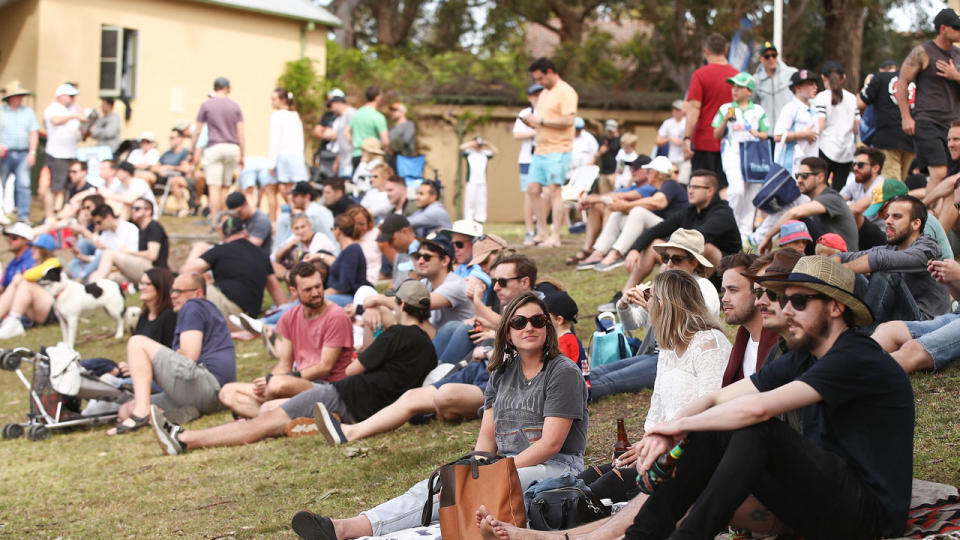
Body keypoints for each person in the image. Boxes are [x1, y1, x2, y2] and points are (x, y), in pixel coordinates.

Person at [292, 291, 588, 540]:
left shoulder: (562, 372)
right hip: (506, 466)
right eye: (519, 322)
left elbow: (550, 444)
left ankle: (352, 530)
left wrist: (493, 473)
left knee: (467, 494)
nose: (529, 327)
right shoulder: (501, 373)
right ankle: (348, 526)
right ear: (508, 332)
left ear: (548, 327)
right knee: (439, 486)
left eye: (538, 321)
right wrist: (476, 466)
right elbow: (487, 437)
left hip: (555, 468)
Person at [150, 278, 436, 455]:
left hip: (343, 396)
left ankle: (185, 439)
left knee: (263, 423)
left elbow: (352, 370)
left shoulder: (397, 334)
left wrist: (369, 342)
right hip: (369, 411)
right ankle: (306, 425)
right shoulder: (428, 349)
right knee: (269, 415)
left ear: (399, 303)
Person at [589, 229, 723, 401]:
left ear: (694, 263)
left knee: (606, 382)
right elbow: (633, 324)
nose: (669, 264)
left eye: (676, 259)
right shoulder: (665, 285)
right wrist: (623, 305)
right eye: (666, 258)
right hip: (656, 355)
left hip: (681, 360)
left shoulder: (703, 288)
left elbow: (693, 327)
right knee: (598, 372)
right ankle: (556, 386)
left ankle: (563, 397)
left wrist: (653, 307)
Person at [217, 262, 354, 418]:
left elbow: (325, 367)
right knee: (227, 392)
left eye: (318, 286)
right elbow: (284, 364)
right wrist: (267, 382)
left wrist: (279, 380)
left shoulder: (336, 316)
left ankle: (261, 416)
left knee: (276, 386)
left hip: (328, 387)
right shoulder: (290, 316)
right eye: (308, 290)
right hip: (294, 383)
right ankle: (276, 419)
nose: (316, 293)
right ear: (293, 291)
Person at [109, 272, 236, 433]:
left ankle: (141, 414)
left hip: (211, 386)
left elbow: (189, 355)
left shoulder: (194, 305)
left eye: (179, 292)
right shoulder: (200, 309)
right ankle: (184, 413)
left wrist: (151, 364)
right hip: (208, 395)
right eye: (172, 291)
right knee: (126, 409)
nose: (173, 296)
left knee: (136, 343)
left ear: (197, 293)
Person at [622, 170, 740, 294]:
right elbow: (657, 230)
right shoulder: (689, 212)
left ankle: (669, 295)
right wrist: (635, 249)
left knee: (704, 246)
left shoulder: (723, 212)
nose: (690, 190)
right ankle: (625, 293)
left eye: (696, 187)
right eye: (689, 186)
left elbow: (696, 238)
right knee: (655, 244)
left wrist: (670, 260)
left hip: (723, 274)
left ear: (710, 191)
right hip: (691, 268)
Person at [837, 194, 949, 321]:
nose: (887, 221)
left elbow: (881, 260)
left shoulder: (928, 249)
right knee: (855, 274)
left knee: (884, 272)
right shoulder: (894, 247)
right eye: (888, 216)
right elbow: (850, 256)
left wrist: (841, 269)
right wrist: (834, 260)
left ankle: (868, 335)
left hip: (927, 321)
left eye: (896, 216)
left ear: (916, 224)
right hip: (899, 318)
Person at [578, 156, 689, 271]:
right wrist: (623, 208)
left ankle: (617, 253)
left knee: (638, 211)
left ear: (655, 173)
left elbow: (659, 202)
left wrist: (626, 206)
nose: (647, 174)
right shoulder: (658, 189)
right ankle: (599, 252)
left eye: (648, 171)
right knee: (619, 214)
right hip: (663, 228)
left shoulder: (670, 184)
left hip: (674, 230)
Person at [897, 8, 960, 205]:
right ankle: (925, 215)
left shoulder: (958, 54)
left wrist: (955, 75)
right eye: (956, 28)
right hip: (927, 120)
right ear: (943, 28)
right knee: (939, 173)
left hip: (953, 124)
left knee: (952, 177)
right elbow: (902, 82)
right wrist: (906, 116)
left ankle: (937, 219)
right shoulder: (923, 52)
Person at [520, 57, 578, 248]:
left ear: (550, 72)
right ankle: (542, 232)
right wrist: (532, 121)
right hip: (540, 149)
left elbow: (568, 121)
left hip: (559, 149)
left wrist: (541, 121)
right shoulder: (544, 93)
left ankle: (555, 236)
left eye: (540, 78)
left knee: (554, 191)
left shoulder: (566, 92)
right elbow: (543, 119)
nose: (539, 83)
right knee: (533, 189)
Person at [361, 234, 470, 334]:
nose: (420, 261)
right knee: (377, 311)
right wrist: (373, 307)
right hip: (432, 338)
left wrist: (376, 300)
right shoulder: (425, 282)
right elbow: (399, 299)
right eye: (418, 256)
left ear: (445, 261)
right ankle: (366, 353)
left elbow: (415, 302)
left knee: (403, 312)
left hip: (449, 345)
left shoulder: (456, 285)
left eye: (427, 257)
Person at [181, 214, 284, 318]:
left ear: (223, 236)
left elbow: (187, 271)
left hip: (226, 309)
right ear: (245, 232)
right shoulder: (262, 254)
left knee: (191, 289)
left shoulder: (220, 250)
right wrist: (285, 312)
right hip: (250, 315)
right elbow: (274, 285)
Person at [712, 71, 770, 235]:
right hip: (732, 155)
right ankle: (729, 226)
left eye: (739, 87)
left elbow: (766, 133)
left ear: (749, 91)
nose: (734, 90)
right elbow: (716, 134)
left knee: (751, 195)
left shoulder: (758, 110)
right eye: (733, 87)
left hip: (752, 157)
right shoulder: (725, 108)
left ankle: (745, 235)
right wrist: (725, 120)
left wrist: (756, 133)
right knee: (736, 191)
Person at [760, 157, 858, 253]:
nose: (799, 180)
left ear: (820, 177)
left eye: (804, 176)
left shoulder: (832, 197)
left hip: (843, 258)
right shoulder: (815, 202)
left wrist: (768, 236)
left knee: (798, 222)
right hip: (828, 253)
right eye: (797, 176)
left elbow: (794, 213)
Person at [682, 33, 739, 188]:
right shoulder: (737, 76)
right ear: (726, 50)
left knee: (702, 190)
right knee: (726, 189)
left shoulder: (700, 75)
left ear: (706, 51)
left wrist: (687, 137)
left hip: (704, 142)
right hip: (731, 143)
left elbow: (694, 108)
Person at [191, 77, 244, 219]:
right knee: (226, 187)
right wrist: (242, 154)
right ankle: (225, 219)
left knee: (214, 186)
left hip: (214, 146)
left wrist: (192, 150)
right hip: (232, 147)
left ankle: (215, 221)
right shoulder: (235, 106)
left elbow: (197, 130)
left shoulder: (207, 105)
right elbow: (241, 133)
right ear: (227, 88)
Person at [86, 197, 169, 284]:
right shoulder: (140, 228)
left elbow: (152, 255)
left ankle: (91, 284)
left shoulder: (154, 227)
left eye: (137, 209)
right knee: (109, 278)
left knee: (109, 253)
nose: (133, 211)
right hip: (141, 269)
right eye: (132, 208)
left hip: (154, 271)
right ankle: (91, 287)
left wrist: (128, 251)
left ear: (149, 211)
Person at [858, 62, 914, 182]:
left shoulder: (879, 78)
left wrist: (867, 85)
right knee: (901, 183)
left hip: (887, 139)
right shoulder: (917, 81)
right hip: (912, 138)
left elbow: (861, 103)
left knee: (891, 185)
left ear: (880, 70)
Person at [0, 235, 60, 339]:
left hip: (55, 310)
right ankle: (9, 321)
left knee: (24, 283)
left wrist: (20, 278)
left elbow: (30, 275)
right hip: (39, 311)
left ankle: (14, 321)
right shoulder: (36, 265)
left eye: (35, 248)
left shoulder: (53, 262)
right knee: (18, 281)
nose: (32, 250)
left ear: (44, 250)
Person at [306, 213, 370, 307]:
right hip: (342, 296)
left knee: (307, 302)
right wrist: (318, 256)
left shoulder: (352, 250)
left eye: (332, 229)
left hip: (349, 297)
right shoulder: (348, 250)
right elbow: (339, 264)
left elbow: (345, 286)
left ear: (338, 230)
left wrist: (320, 293)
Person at [815, 62, 860, 191]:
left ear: (823, 77)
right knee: (840, 191)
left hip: (825, 148)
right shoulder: (852, 98)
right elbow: (857, 128)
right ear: (844, 77)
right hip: (846, 152)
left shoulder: (821, 98)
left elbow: (820, 125)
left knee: (821, 190)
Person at [43, 83, 84, 220]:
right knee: (56, 187)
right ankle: (51, 215)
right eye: (70, 96)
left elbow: (79, 129)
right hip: (57, 154)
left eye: (74, 96)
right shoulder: (53, 108)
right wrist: (73, 116)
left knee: (67, 185)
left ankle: (61, 214)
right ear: (61, 96)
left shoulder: (74, 108)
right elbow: (55, 120)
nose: (73, 99)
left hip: (71, 153)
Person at [0, 80, 39, 223]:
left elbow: (33, 132)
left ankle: (23, 216)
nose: (20, 98)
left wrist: (32, 152)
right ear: (10, 97)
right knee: (1, 185)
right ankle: (2, 213)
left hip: (23, 153)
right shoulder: (2, 112)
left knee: (23, 185)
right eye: (17, 95)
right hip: (5, 153)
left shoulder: (28, 112)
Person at [268, 87, 309, 221]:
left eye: (274, 99)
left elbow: (275, 140)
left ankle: (293, 208)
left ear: (283, 100)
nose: (272, 102)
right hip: (296, 155)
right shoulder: (294, 115)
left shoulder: (277, 116)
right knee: (296, 186)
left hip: (284, 155)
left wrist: (272, 162)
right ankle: (297, 209)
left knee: (284, 187)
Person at [773, 69, 821, 176]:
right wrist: (803, 134)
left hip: (809, 165)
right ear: (798, 88)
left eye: (815, 84)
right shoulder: (790, 108)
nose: (815, 87)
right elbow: (777, 136)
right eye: (810, 84)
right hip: (791, 167)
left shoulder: (814, 109)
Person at [515, 83, 543, 244]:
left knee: (544, 193)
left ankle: (541, 227)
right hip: (527, 159)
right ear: (530, 97)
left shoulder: (547, 112)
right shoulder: (525, 113)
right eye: (535, 95)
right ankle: (529, 230)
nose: (538, 98)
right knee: (529, 193)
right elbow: (517, 134)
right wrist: (535, 131)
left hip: (544, 156)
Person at [275, 181, 335, 251]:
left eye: (296, 196)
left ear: (307, 196)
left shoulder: (312, 214)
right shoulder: (316, 209)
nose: (292, 199)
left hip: (327, 252)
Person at [752, 42, 798, 133]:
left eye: (774, 55)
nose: (771, 59)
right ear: (761, 58)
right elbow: (752, 105)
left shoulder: (791, 73)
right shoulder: (755, 80)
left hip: (788, 131)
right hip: (766, 133)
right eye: (767, 56)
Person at [151, 127, 193, 215]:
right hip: (163, 179)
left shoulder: (185, 152)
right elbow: (154, 167)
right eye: (169, 138)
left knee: (174, 181)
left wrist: (169, 167)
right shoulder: (167, 153)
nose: (170, 140)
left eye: (173, 138)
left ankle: (183, 208)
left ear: (181, 139)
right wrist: (160, 170)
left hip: (181, 179)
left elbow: (185, 168)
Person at [131, 267, 177, 348]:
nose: (141, 288)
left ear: (161, 287)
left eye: (147, 284)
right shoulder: (144, 316)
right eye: (141, 283)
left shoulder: (170, 316)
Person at [349, 86, 389, 170]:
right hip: (372, 157)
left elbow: (346, 132)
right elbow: (386, 142)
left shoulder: (357, 113)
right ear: (377, 98)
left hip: (356, 154)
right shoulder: (377, 116)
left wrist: (356, 144)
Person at [460, 137, 498, 223]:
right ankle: (468, 218)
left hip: (482, 181)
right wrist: (472, 143)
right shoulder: (469, 153)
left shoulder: (484, 153)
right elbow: (461, 147)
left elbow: (496, 151)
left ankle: (480, 218)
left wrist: (487, 143)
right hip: (471, 180)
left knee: (481, 200)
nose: (478, 146)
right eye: (477, 144)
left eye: (480, 145)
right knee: (470, 200)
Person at [655, 100, 689, 183]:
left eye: (678, 109)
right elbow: (658, 141)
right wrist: (670, 139)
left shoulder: (687, 122)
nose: (676, 112)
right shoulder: (668, 123)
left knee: (683, 182)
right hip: (672, 159)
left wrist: (685, 141)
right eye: (674, 109)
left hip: (685, 158)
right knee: (670, 181)